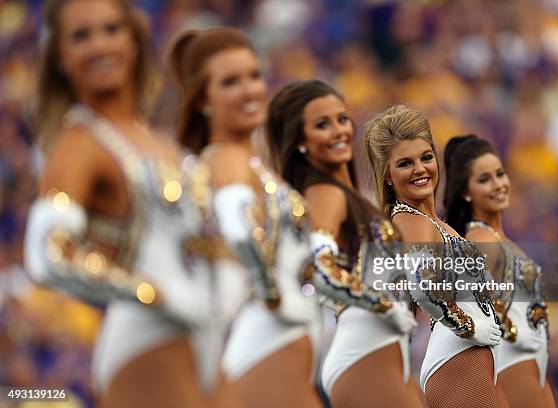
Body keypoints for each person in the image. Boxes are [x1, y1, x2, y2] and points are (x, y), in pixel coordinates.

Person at [24, 1, 218, 407]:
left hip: (206, 338)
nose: (100, 45)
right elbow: (48, 256)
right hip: (146, 343)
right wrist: (150, 292)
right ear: (60, 57)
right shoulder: (80, 143)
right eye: (81, 36)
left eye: (112, 29)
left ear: (134, 40)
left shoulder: (158, 140)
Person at [169, 27, 321, 408]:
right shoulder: (226, 159)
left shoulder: (253, 163)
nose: (250, 89)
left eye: (254, 75)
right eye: (231, 82)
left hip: (278, 350)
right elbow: (240, 232)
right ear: (203, 99)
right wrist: (273, 295)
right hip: (262, 351)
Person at [266, 79, 419, 408]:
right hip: (363, 351)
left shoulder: (346, 195)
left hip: (379, 351)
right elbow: (318, 268)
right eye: (322, 124)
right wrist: (382, 305)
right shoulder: (326, 194)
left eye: (341, 118)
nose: (339, 130)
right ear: (300, 142)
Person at [365, 105, 508, 407]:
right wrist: (469, 326)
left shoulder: (434, 223)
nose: (419, 169)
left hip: (473, 360)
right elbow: (423, 286)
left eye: (426, 158)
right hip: (457, 360)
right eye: (405, 163)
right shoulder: (409, 220)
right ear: (387, 175)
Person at [443, 134, 556, 407]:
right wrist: (512, 331)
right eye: (484, 179)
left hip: (531, 365)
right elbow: (471, 302)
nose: (498, 185)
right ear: (465, 192)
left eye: (500, 174)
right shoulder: (481, 240)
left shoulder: (499, 238)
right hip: (513, 364)